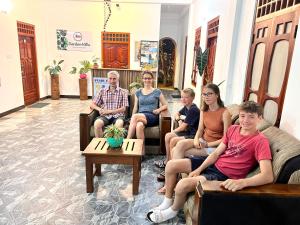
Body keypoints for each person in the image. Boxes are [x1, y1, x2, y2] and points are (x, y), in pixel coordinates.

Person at [146, 101, 274, 223]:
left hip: (223, 175)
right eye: (242, 116)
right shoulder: (233, 129)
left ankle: (172, 211)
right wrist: (199, 169)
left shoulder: (260, 141)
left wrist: (242, 182)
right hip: (215, 163)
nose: (245, 120)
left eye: (251, 117)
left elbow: (267, 176)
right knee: (171, 165)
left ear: (260, 118)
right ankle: (167, 201)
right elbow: (216, 153)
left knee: (182, 185)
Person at [157, 83, 231, 183]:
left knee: (175, 151)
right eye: (204, 94)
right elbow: (200, 130)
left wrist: (207, 144)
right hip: (202, 141)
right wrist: (196, 139)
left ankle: (171, 181)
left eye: (210, 94)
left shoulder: (225, 113)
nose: (206, 97)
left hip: (213, 147)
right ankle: (171, 178)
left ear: (217, 95)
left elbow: (226, 139)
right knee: (180, 144)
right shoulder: (204, 110)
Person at [154, 88, 200, 177]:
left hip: (193, 135)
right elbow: (177, 114)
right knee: (168, 136)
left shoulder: (193, 109)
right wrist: (179, 120)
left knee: (172, 139)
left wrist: (174, 130)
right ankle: (167, 162)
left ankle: (170, 166)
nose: (183, 99)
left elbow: (182, 128)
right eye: (182, 97)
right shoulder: (187, 107)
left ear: (192, 98)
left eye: (186, 97)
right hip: (187, 132)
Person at [126, 71, 168, 149]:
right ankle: (141, 151)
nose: (147, 80)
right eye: (145, 78)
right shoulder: (138, 92)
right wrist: (132, 118)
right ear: (142, 79)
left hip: (152, 115)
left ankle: (127, 141)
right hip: (140, 116)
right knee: (139, 126)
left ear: (152, 79)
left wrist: (158, 110)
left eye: (149, 78)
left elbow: (165, 105)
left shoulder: (157, 91)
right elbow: (135, 107)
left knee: (135, 117)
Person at [90, 71, 129, 138]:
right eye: (110, 78)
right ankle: (101, 144)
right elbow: (92, 104)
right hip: (105, 116)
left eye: (114, 79)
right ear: (107, 79)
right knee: (97, 124)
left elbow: (123, 108)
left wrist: (109, 111)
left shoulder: (123, 92)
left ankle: (114, 145)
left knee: (119, 124)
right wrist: (100, 109)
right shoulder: (102, 91)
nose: (112, 81)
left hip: (118, 116)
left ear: (117, 80)